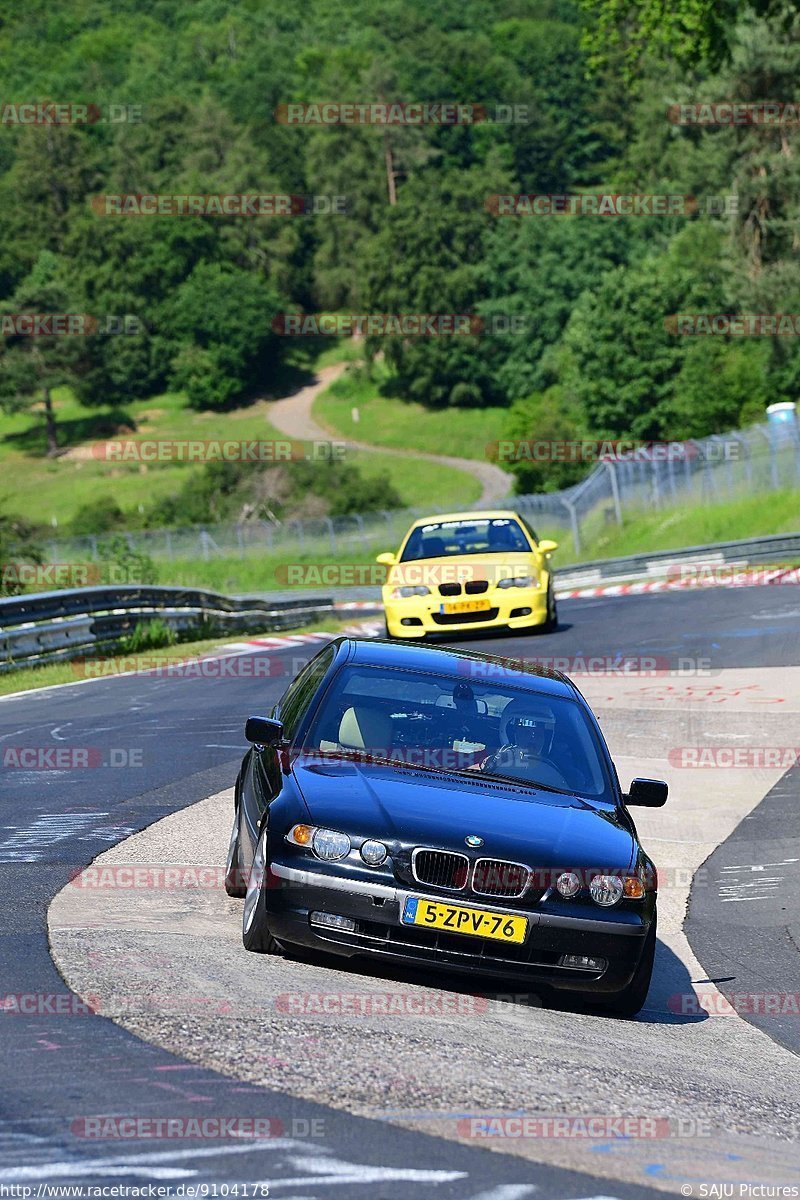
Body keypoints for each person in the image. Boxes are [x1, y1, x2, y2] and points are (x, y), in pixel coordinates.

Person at [479, 696, 570, 789]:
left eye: (538, 733)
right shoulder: (490, 761)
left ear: (547, 738)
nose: (533, 738)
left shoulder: (563, 773)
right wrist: (491, 765)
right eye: (526, 732)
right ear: (511, 733)